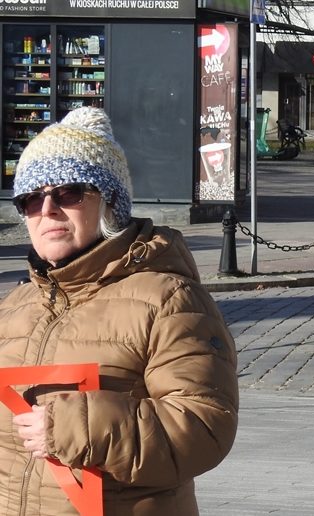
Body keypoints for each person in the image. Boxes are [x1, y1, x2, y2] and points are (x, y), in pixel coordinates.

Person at [1, 107, 239, 514]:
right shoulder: (17, 303)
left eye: (68, 193)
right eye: (31, 199)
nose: (48, 210)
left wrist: (76, 427)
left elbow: (204, 427)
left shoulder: (169, 299)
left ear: (110, 202)